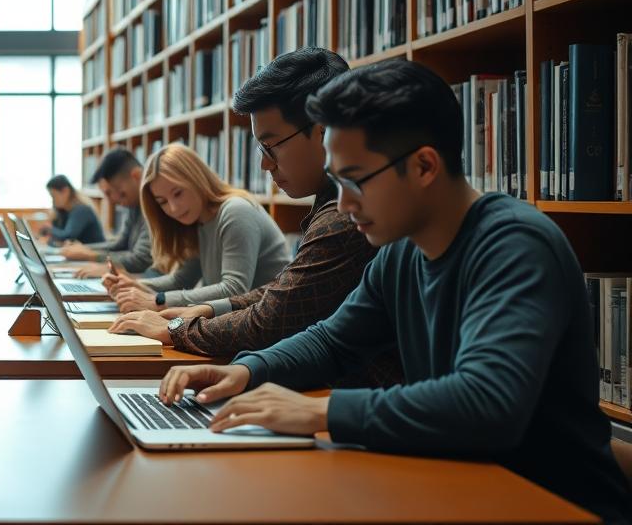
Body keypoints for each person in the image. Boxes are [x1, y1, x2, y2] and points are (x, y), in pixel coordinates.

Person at [156, 60, 632, 524]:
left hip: (550, 503)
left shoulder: (515, 246)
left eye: (355, 180)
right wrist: (245, 370)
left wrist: (321, 410)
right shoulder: (401, 253)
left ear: (424, 166)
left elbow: (488, 402)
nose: (342, 204)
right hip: (459, 485)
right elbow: (331, 340)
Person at [110, 49, 391, 383]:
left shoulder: (344, 219)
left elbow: (272, 319)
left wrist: (177, 328)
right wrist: (212, 312)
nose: (264, 165)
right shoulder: (335, 208)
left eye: (270, 147)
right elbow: (288, 294)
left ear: (322, 131)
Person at [104, 143, 289, 313]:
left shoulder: (235, 211)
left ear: (196, 179)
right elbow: (181, 280)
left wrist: (158, 300)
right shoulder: (197, 221)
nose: (173, 208)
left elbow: (234, 289)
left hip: (268, 325)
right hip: (239, 321)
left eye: (178, 193)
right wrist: (135, 286)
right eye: (163, 202)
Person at [59, 149, 152, 277]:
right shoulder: (135, 205)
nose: (113, 200)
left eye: (120, 193)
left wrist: (92, 255)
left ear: (136, 176)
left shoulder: (154, 204)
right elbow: (121, 245)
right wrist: (87, 249)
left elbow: (141, 260)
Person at [39, 174, 105, 246]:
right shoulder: (63, 212)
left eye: (53, 196)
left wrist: (50, 229)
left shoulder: (81, 210)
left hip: (95, 253)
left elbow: (68, 236)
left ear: (65, 191)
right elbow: (58, 241)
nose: (53, 201)